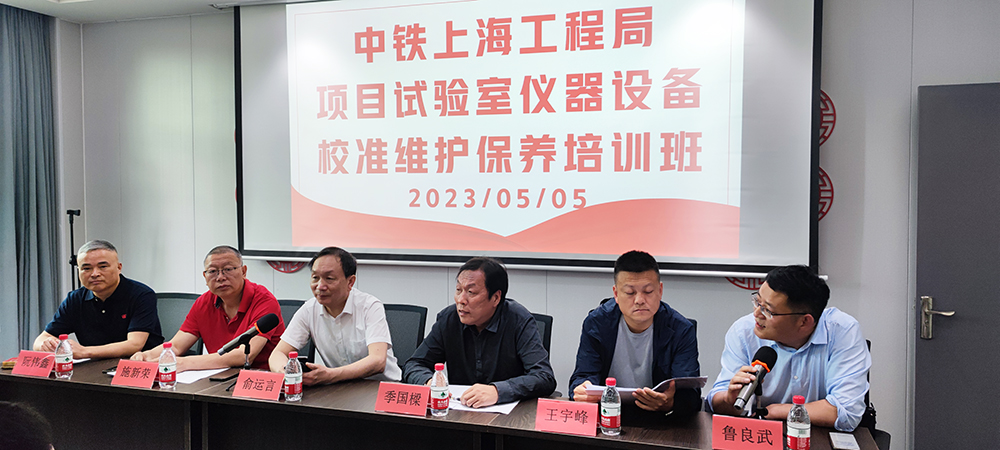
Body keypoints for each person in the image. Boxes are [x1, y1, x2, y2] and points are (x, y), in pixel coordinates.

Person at [708, 265, 871, 431]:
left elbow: (846, 412)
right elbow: (717, 401)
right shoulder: (744, 331)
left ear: (804, 321)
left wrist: (777, 411)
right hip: (761, 434)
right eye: (757, 302)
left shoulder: (842, 332)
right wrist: (728, 399)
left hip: (818, 435)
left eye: (767, 310)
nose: (756, 313)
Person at [403, 257, 556, 408]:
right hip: (458, 413)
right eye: (458, 290)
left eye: (471, 292)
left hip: (509, 417)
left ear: (495, 298)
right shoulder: (448, 319)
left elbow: (544, 377)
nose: (461, 300)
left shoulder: (519, 320)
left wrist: (498, 391)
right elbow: (414, 365)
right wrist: (430, 382)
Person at [568, 250, 701, 415]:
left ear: (660, 290)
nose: (639, 300)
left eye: (648, 291)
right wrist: (582, 389)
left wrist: (671, 403)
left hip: (659, 419)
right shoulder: (597, 323)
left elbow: (691, 395)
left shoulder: (681, 330)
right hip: (608, 414)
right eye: (630, 293)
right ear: (616, 294)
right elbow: (582, 376)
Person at [131, 246, 284, 371]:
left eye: (228, 269)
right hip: (219, 378)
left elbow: (244, 355)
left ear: (243, 271)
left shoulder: (264, 301)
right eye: (212, 271)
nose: (220, 277)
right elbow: (177, 346)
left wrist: (185, 363)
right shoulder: (204, 302)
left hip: (260, 380)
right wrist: (146, 355)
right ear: (205, 277)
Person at [268, 247, 401, 383]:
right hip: (340, 387)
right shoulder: (309, 309)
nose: (320, 286)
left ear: (350, 282)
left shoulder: (370, 306)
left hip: (381, 387)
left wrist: (330, 375)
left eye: (329, 278)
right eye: (315, 278)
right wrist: (286, 373)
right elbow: (277, 354)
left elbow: (378, 361)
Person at [32, 240, 163, 358]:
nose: (95, 274)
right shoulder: (75, 299)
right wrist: (48, 344)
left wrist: (84, 352)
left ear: (119, 268)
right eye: (86, 268)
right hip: (94, 366)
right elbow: (40, 340)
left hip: (138, 365)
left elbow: (134, 345)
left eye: (103, 267)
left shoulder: (141, 295)